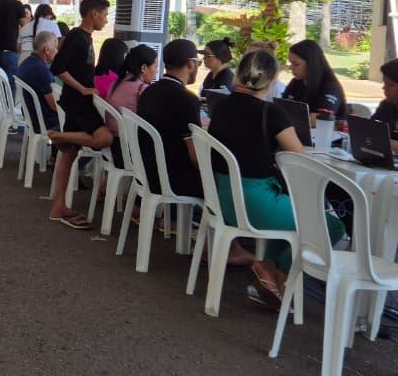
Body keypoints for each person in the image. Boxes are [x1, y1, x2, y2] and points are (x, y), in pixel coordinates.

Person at [208, 49, 346, 307]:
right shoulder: (270, 113)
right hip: (257, 203)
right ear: (272, 81)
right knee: (331, 225)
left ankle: (267, 269)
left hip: (223, 200)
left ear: (238, 73)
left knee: (290, 219)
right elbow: (300, 158)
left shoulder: (221, 106)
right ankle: (278, 278)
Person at [45, 0, 113, 229]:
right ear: (94, 14)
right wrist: (82, 88)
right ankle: (58, 136)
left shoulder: (85, 38)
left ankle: (59, 205)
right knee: (104, 137)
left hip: (80, 100)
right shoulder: (77, 36)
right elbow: (58, 66)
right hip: (77, 103)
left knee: (69, 153)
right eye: (104, 15)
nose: (105, 20)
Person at [136, 39, 204, 198]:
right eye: (198, 62)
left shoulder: (148, 92)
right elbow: (195, 157)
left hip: (148, 173)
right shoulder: (187, 99)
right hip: (176, 180)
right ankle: (180, 221)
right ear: (191, 63)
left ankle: (169, 219)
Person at [282, 39, 347, 124]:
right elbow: (282, 107)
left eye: (296, 64)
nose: (291, 67)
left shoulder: (330, 87)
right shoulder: (296, 82)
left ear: (311, 64)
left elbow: (323, 118)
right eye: (290, 63)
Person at [16, 31, 59, 134]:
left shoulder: (26, 63)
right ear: (47, 50)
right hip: (43, 121)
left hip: (30, 115)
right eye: (55, 47)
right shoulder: (41, 70)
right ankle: (63, 150)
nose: (57, 51)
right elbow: (54, 105)